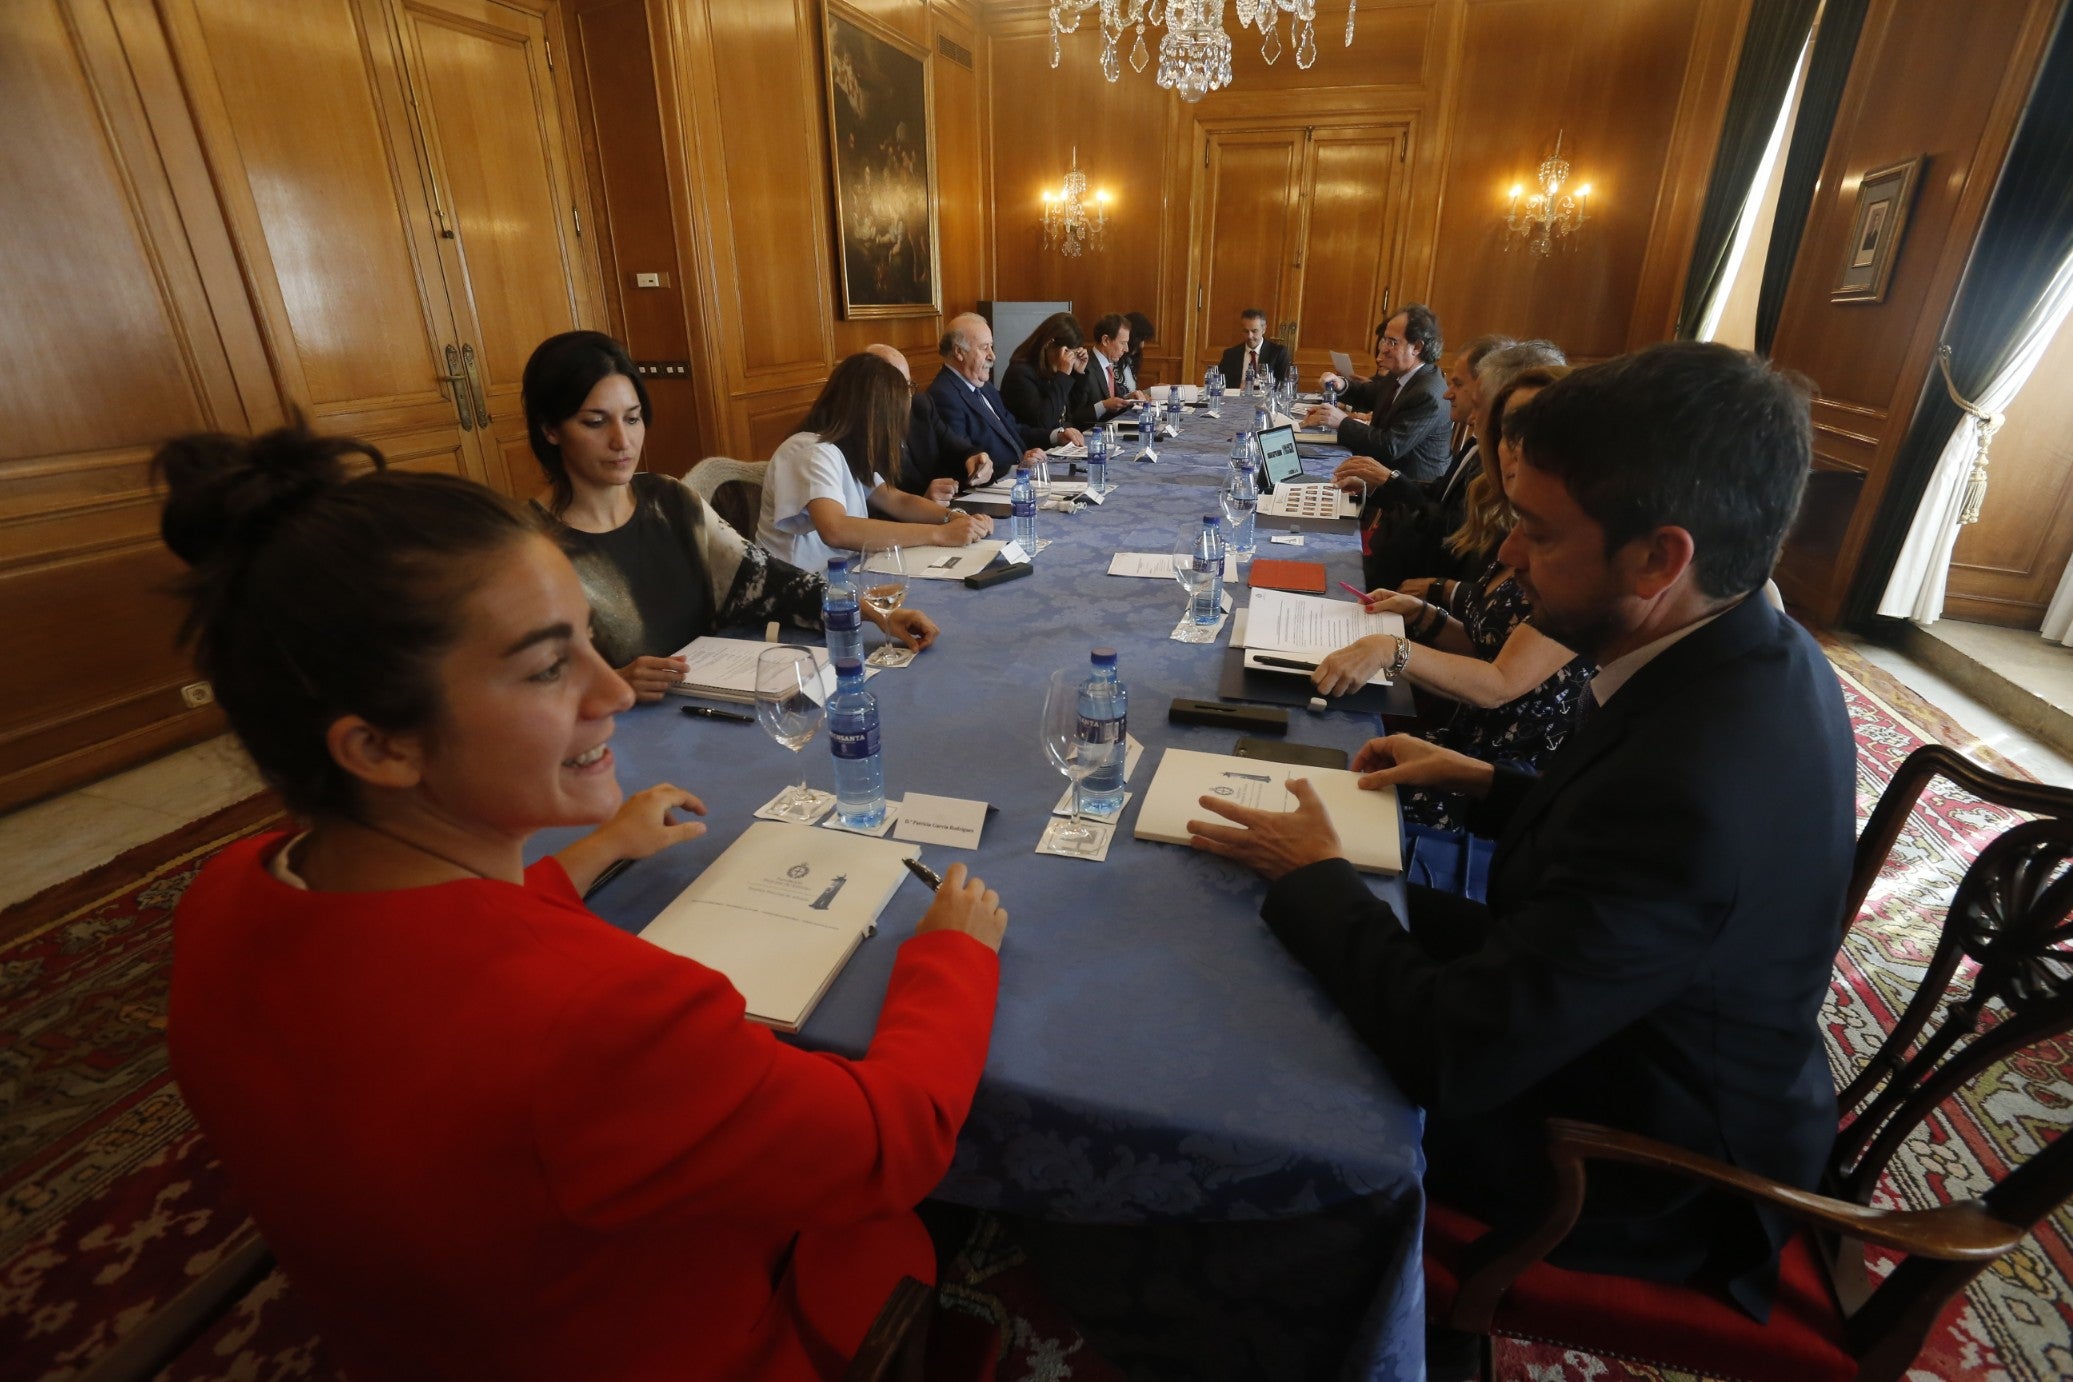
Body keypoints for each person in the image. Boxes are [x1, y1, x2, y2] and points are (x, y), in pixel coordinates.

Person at [154, 419, 1010, 1380]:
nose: (610, 689)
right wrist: (952, 958)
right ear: (380, 747)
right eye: (549, 664)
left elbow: (424, 962)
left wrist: (594, 853)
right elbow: (889, 1144)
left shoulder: (226, 892)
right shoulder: (602, 1019)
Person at [1187, 342, 1855, 1329]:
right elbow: (1610, 839)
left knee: (1243, 1064)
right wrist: (1484, 778)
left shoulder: (1699, 781)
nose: (1504, 556)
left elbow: (1454, 1054)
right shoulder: (1734, 644)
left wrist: (1318, 872)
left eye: (1538, 534)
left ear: (1660, 557)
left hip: (1628, 1163)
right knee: (1268, 933)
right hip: (1617, 1018)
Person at [523, 331, 939, 703]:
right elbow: (514, 693)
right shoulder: (524, 547)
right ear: (550, 430)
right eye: (595, 422)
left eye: (633, 419)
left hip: (715, 704)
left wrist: (869, 610)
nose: (622, 440)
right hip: (614, 738)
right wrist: (611, 682)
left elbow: (767, 577)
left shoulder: (668, 500)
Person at [1312, 368, 1590, 830]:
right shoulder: (1512, 522)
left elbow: (1499, 683)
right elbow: (1487, 645)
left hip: (1489, 778)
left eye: (1532, 434)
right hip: (1453, 741)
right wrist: (1426, 616)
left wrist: (1392, 648)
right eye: (1508, 431)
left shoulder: (1574, 556)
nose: (1513, 446)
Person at [758, 351, 993, 573]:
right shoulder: (811, 452)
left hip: (841, 572)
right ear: (874, 416)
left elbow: (897, 500)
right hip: (798, 584)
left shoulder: (846, 449)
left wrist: (955, 518)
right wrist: (939, 534)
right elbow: (836, 529)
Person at [1335, 332, 1524, 590]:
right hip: (1406, 550)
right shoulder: (1478, 441)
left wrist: (1390, 479)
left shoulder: (1498, 460)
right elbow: (1438, 491)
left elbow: (1450, 530)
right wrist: (1377, 485)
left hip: (1419, 575)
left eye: (1457, 384)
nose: (1447, 394)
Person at [1307, 304, 1452, 484]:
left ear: (1417, 347)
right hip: (1383, 475)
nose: (1383, 349)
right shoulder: (1403, 375)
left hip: (1410, 491)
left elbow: (1389, 447)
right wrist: (1341, 385)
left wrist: (1342, 422)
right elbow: (1371, 393)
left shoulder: (1427, 393)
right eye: (1384, 340)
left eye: (1392, 342)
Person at [926, 312, 1055, 475]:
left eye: (991, 346)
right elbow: (964, 458)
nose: (992, 356)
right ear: (959, 352)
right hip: (991, 486)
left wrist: (1055, 436)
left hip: (1019, 476)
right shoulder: (943, 395)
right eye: (984, 347)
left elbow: (1014, 430)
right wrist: (1016, 468)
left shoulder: (984, 386)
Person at [864, 343, 991, 501]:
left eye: (909, 384)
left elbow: (955, 448)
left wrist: (976, 459)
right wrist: (924, 502)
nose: (907, 395)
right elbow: (873, 509)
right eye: (897, 387)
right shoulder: (860, 435)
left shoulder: (920, 406)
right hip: (909, 522)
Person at [998, 312, 1092, 446]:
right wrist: (1063, 375)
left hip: (1061, 445)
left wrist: (1079, 373)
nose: (1069, 360)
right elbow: (1043, 422)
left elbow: (1069, 411)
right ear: (1049, 343)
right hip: (1034, 451)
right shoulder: (1019, 373)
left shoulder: (1052, 368)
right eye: (1067, 353)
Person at [1073, 313, 1143, 426]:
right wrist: (1103, 406)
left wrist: (1128, 398)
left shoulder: (1108, 364)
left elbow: (1111, 400)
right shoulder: (1083, 367)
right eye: (1123, 343)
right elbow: (1074, 416)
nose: (1126, 349)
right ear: (1105, 340)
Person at [1216, 308, 1292, 386]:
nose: (1249, 336)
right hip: (1237, 397)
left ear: (1264, 329)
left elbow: (1283, 384)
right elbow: (1220, 382)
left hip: (1266, 397)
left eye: (1254, 331)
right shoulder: (1231, 354)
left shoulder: (1278, 353)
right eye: (1246, 331)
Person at [1120, 311, 1156, 392]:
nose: (1142, 346)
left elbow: (1131, 395)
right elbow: (1118, 399)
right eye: (1140, 340)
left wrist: (1154, 390)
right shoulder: (1112, 361)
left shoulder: (1131, 360)